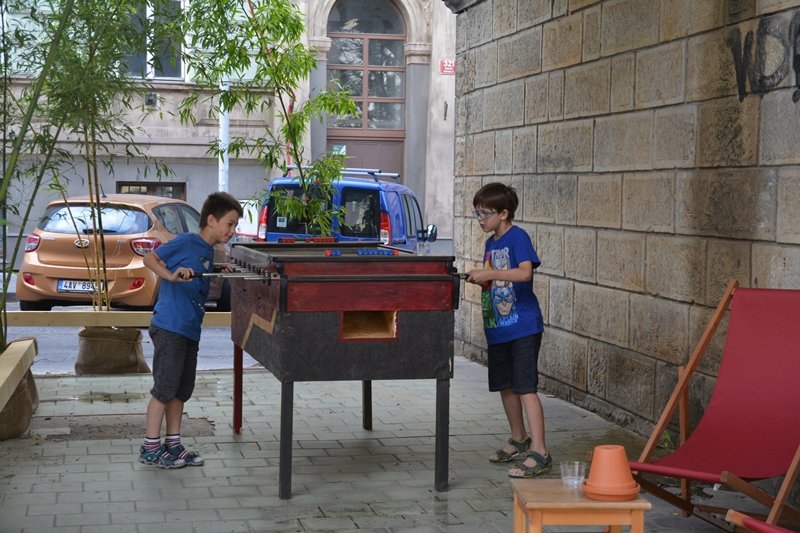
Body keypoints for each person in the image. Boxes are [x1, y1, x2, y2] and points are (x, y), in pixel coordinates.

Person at [138, 192, 242, 468]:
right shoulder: (187, 241)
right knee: (164, 388)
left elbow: (198, 270)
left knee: (181, 390)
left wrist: (220, 268)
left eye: (234, 225)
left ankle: (173, 444)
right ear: (211, 219)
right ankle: (150, 447)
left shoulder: (208, 250)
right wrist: (171, 275)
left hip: (189, 330)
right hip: (170, 326)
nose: (232, 230)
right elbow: (150, 259)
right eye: (229, 224)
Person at [466, 182, 550, 478]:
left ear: (503, 213)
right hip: (498, 328)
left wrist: (490, 272)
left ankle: (540, 450)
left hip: (523, 326)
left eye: (484, 214)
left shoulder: (518, 237)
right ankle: (519, 438)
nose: (479, 219)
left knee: (525, 386)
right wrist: (483, 278)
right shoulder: (491, 243)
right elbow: (500, 279)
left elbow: (525, 272)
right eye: (476, 213)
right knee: (506, 385)